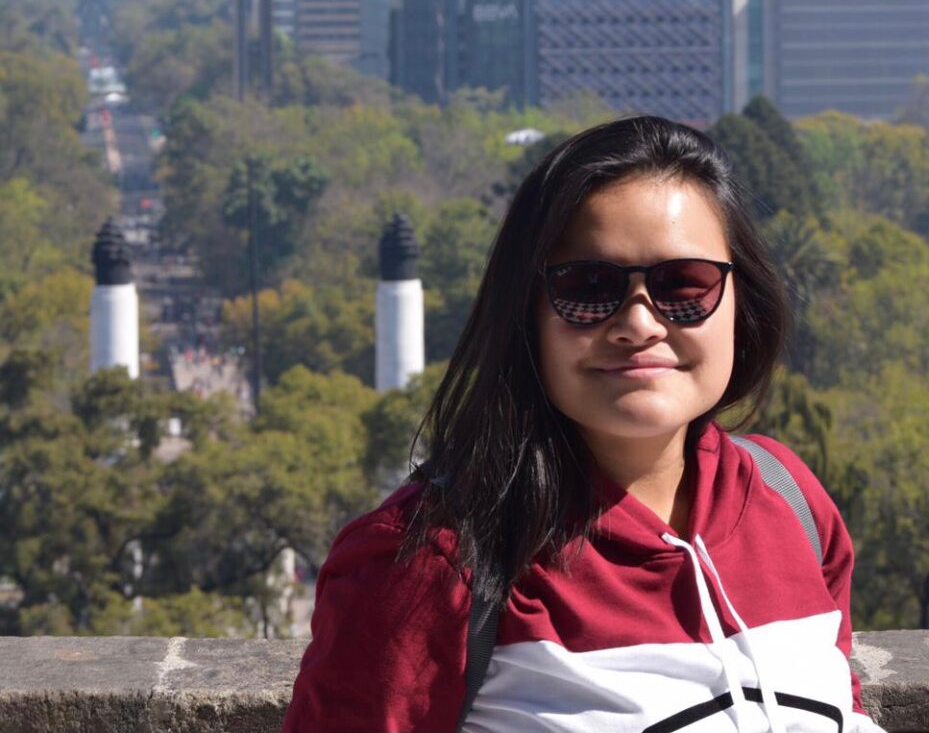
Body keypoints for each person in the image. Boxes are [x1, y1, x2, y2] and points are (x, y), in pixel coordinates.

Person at [283, 116, 886, 733]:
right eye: (590, 287)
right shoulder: (432, 563)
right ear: (527, 316)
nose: (640, 325)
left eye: (684, 284)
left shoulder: (788, 500)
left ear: (741, 302)